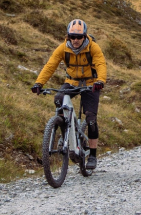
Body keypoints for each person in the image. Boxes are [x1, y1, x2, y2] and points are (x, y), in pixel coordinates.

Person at [31, 19, 106, 170]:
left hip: (91, 83)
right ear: (68, 36)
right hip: (72, 82)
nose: (76, 40)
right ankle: (64, 133)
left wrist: (100, 80)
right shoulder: (63, 48)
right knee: (58, 99)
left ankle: (92, 155)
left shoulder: (93, 48)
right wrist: (39, 83)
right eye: (72, 36)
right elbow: (50, 65)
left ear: (84, 36)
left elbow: (100, 64)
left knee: (91, 118)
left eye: (79, 37)